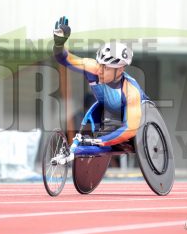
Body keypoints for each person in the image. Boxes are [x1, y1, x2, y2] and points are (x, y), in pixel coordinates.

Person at [52, 16, 149, 163]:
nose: (101, 71)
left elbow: (130, 129)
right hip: (109, 113)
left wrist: (101, 141)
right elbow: (65, 59)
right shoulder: (93, 68)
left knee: (108, 140)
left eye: (107, 68)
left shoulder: (131, 92)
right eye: (101, 65)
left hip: (137, 119)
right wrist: (59, 44)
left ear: (120, 69)